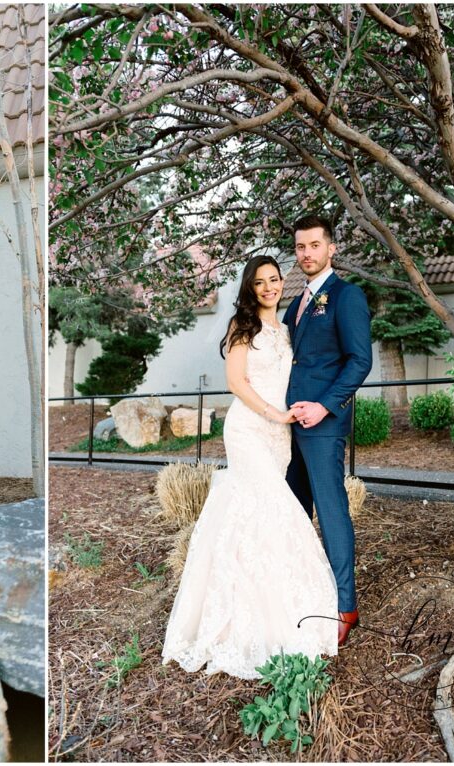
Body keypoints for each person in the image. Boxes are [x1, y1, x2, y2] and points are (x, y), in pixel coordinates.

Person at [162, 254, 339, 680]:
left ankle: (269, 602)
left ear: (282, 282)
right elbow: (236, 383)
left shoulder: (288, 326)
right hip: (249, 429)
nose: (269, 287)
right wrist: (274, 415)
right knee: (272, 509)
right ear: (250, 287)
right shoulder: (243, 326)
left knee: (259, 515)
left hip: (280, 436)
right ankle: (241, 622)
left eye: (274, 279)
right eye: (260, 282)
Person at [284, 215, 373, 646]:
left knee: (332, 511)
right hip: (286, 428)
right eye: (301, 247)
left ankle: (345, 606)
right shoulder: (295, 304)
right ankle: (301, 593)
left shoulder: (346, 297)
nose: (307, 254)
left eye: (315, 245)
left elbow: (360, 360)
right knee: (294, 510)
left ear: (331, 248)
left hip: (322, 425)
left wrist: (324, 406)